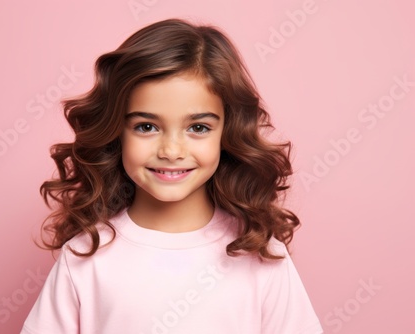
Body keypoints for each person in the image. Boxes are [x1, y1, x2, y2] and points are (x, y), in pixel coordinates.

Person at [20, 18, 323, 334]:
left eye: (198, 128)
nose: (172, 150)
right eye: (146, 127)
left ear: (226, 133)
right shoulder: (85, 255)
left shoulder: (262, 252)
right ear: (116, 133)